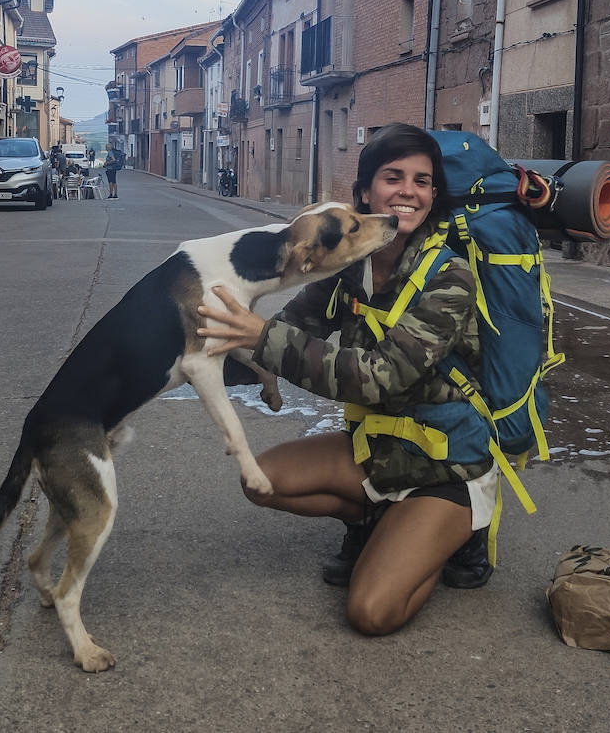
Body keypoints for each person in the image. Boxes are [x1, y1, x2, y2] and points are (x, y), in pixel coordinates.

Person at [197, 123, 496, 637]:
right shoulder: (345, 270)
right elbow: (286, 333)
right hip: (378, 451)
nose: (409, 191)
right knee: (260, 480)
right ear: (365, 192)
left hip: (445, 468)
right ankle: (372, 520)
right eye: (393, 177)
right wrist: (195, 357)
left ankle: (461, 532)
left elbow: (379, 380)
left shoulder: (450, 279)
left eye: (422, 182)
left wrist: (261, 337)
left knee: (371, 613)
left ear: (432, 197)